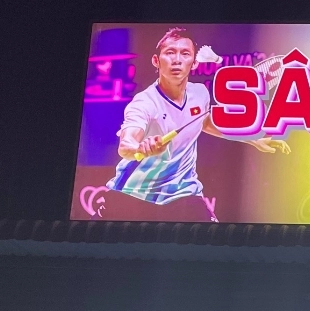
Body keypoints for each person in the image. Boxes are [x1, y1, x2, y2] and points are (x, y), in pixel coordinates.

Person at [102, 27, 289, 222]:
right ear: (156, 61)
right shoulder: (145, 103)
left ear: (194, 63)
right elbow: (126, 145)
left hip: (183, 192)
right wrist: (141, 147)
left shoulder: (199, 93)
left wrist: (252, 138)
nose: (177, 60)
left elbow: (204, 122)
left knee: (215, 238)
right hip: (133, 194)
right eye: (170, 53)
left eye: (185, 54)